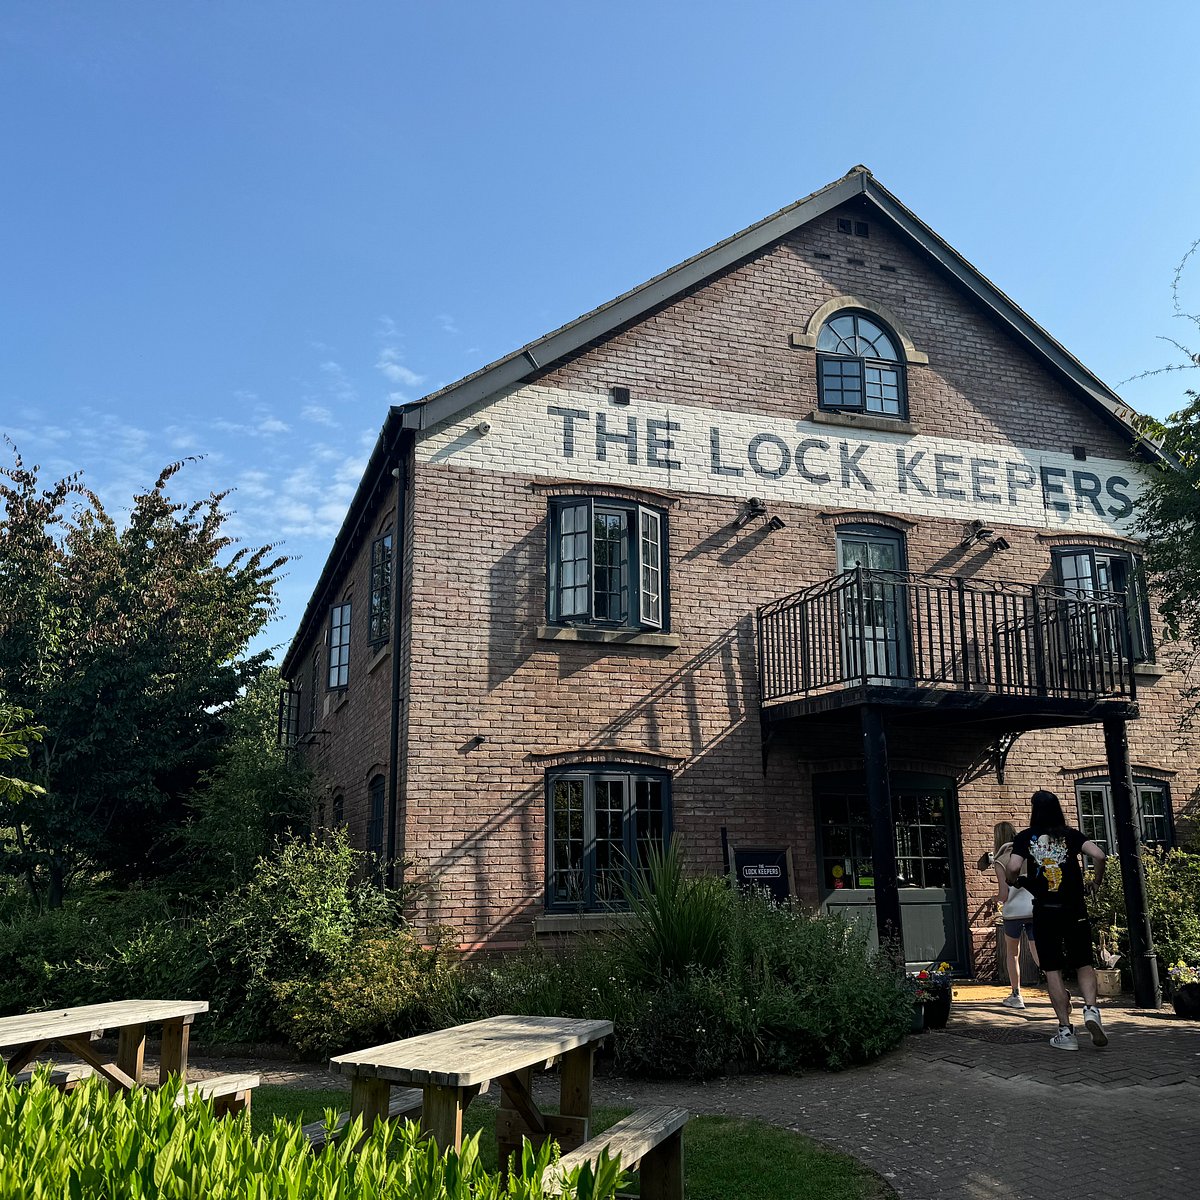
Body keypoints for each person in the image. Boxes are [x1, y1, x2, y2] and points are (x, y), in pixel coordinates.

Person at [1007, 789, 1108, 1050]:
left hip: (1046, 910)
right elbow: (1099, 855)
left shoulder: (1025, 838)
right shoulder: (1070, 835)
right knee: (1083, 962)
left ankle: (1066, 1032)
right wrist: (1095, 881)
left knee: (1052, 969)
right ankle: (1091, 1010)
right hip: (1075, 909)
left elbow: (1014, 867)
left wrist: (1012, 881)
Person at [991, 820, 1040, 1008]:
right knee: (1038, 951)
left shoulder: (1000, 860)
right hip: (1034, 909)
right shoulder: (1027, 855)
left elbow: (1004, 894)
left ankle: (1016, 995)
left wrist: (994, 898)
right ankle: (1056, 986)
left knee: (1012, 953)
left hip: (1013, 913)